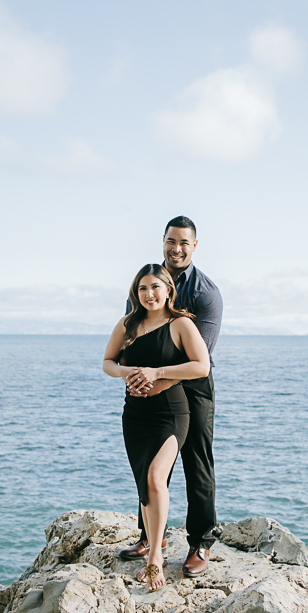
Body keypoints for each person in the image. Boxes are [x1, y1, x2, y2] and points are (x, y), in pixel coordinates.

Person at [118, 216, 223, 578]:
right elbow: (133, 336)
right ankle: (151, 537)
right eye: (170, 241)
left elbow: (200, 359)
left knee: (197, 461)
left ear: (194, 247)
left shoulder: (206, 293)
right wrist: (135, 378)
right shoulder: (147, 282)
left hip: (191, 390)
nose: (176, 249)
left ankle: (200, 542)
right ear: (162, 242)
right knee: (150, 464)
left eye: (184, 243)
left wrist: (158, 376)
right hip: (148, 387)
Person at [103, 263, 210, 591]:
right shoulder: (127, 324)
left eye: (155, 287)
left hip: (171, 413)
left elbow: (201, 366)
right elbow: (108, 363)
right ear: (136, 294)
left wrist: (157, 373)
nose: (149, 294)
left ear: (168, 290)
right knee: (144, 485)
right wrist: (128, 372)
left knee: (154, 477)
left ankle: (154, 561)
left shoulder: (181, 324)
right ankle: (153, 542)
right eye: (142, 289)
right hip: (134, 415)